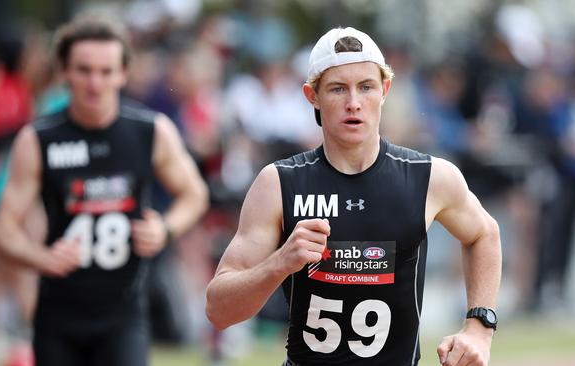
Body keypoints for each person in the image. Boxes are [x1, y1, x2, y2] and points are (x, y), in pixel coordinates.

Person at [206, 27, 501, 366]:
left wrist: (479, 326)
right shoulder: (279, 183)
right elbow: (218, 310)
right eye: (337, 89)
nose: (353, 103)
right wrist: (280, 263)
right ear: (311, 96)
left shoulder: (429, 177)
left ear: (385, 90)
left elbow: (484, 233)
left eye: (366, 87)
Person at [0, 14, 209, 366]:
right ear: (64, 72)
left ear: (123, 73)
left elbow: (195, 194)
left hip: (124, 315)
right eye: (84, 70)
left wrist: (165, 229)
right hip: (58, 314)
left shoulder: (150, 131)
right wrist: (40, 257)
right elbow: (3, 230)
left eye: (106, 71)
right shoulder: (38, 140)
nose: (95, 83)